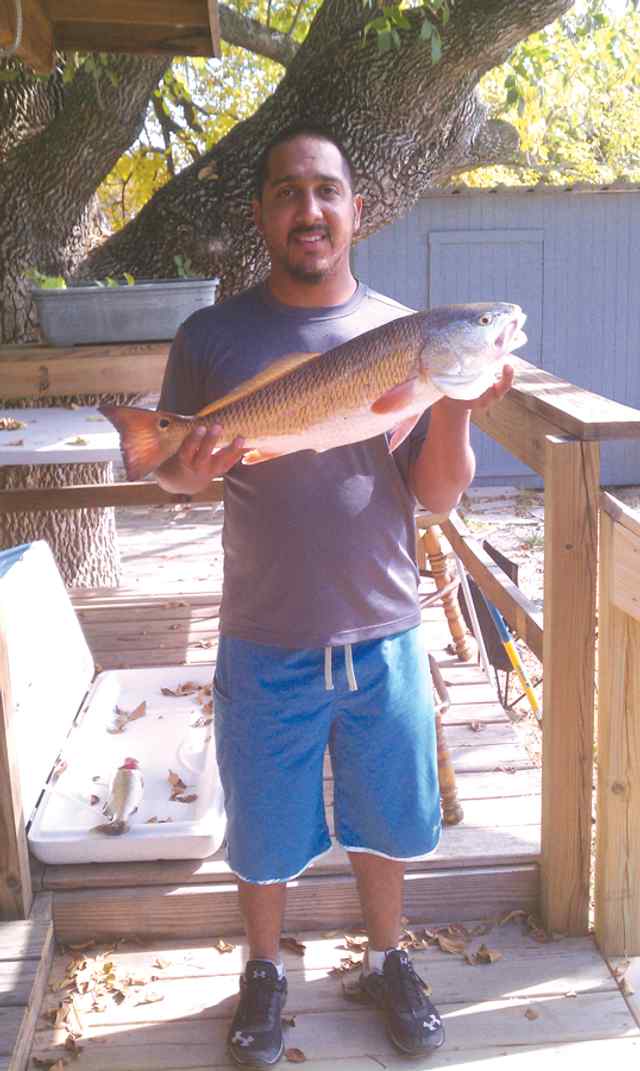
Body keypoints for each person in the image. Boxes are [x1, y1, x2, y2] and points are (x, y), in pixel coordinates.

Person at [156, 121, 513, 1068]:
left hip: (386, 627)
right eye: (287, 192)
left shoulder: (409, 333)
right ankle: (264, 970)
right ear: (262, 214)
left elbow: (435, 493)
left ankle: (389, 957)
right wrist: (185, 460)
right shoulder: (211, 337)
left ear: (356, 211)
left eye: (326, 191)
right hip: (264, 632)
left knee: (387, 816)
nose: (308, 209)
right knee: (264, 826)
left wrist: (461, 404)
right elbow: (177, 477)